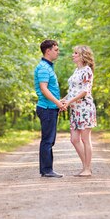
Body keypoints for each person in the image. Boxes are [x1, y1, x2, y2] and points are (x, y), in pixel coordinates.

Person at [61, 45, 96, 177]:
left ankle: (87, 168)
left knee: (85, 139)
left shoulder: (87, 71)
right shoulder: (77, 71)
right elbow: (72, 92)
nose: (73, 55)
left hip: (85, 108)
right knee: (74, 139)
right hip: (75, 110)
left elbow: (84, 91)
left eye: (75, 53)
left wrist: (69, 102)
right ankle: (86, 166)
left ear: (82, 55)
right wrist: (62, 101)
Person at [34, 39, 66, 178]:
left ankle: (47, 169)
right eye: (56, 50)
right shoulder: (43, 68)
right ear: (48, 51)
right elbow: (44, 89)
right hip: (47, 108)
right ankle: (47, 170)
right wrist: (58, 103)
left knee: (49, 140)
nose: (58, 52)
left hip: (50, 107)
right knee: (47, 140)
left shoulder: (48, 67)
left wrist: (60, 101)